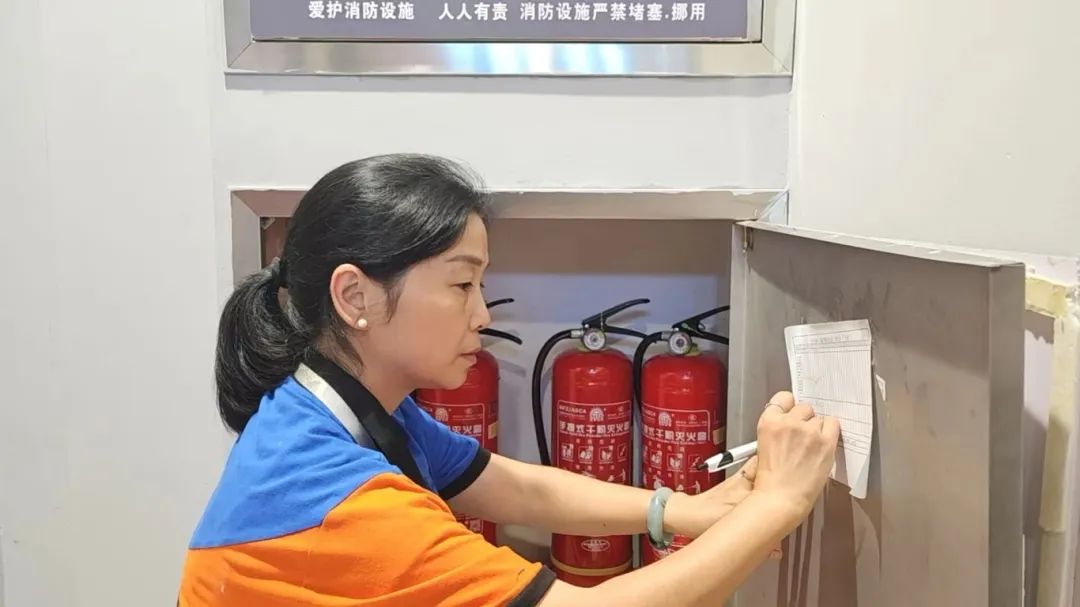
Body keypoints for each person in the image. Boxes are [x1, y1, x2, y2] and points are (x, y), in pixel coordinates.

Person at [177, 154, 840, 606]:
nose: (483, 314)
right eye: (461, 284)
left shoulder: (345, 409)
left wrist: (687, 509)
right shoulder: (341, 496)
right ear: (355, 296)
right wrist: (780, 503)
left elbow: (509, 484)